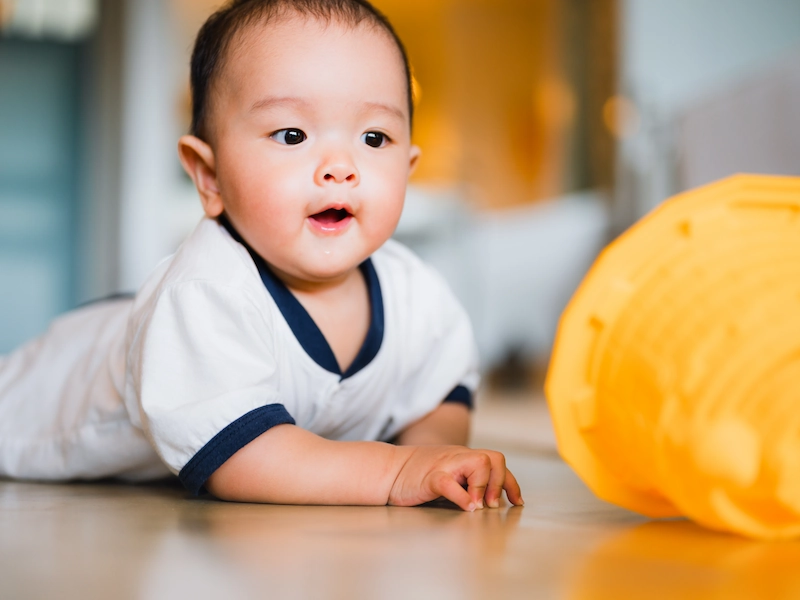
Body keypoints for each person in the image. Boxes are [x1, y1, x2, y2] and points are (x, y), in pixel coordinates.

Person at [0, 0, 523, 511]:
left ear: (408, 169)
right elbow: (245, 459)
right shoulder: (207, 293)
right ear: (210, 177)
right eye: (291, 134)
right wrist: (394, 471)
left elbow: (439, 393)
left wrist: (435, 458)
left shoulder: (417, 296)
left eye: (374, 136)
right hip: (41, 393)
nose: (340, 166)